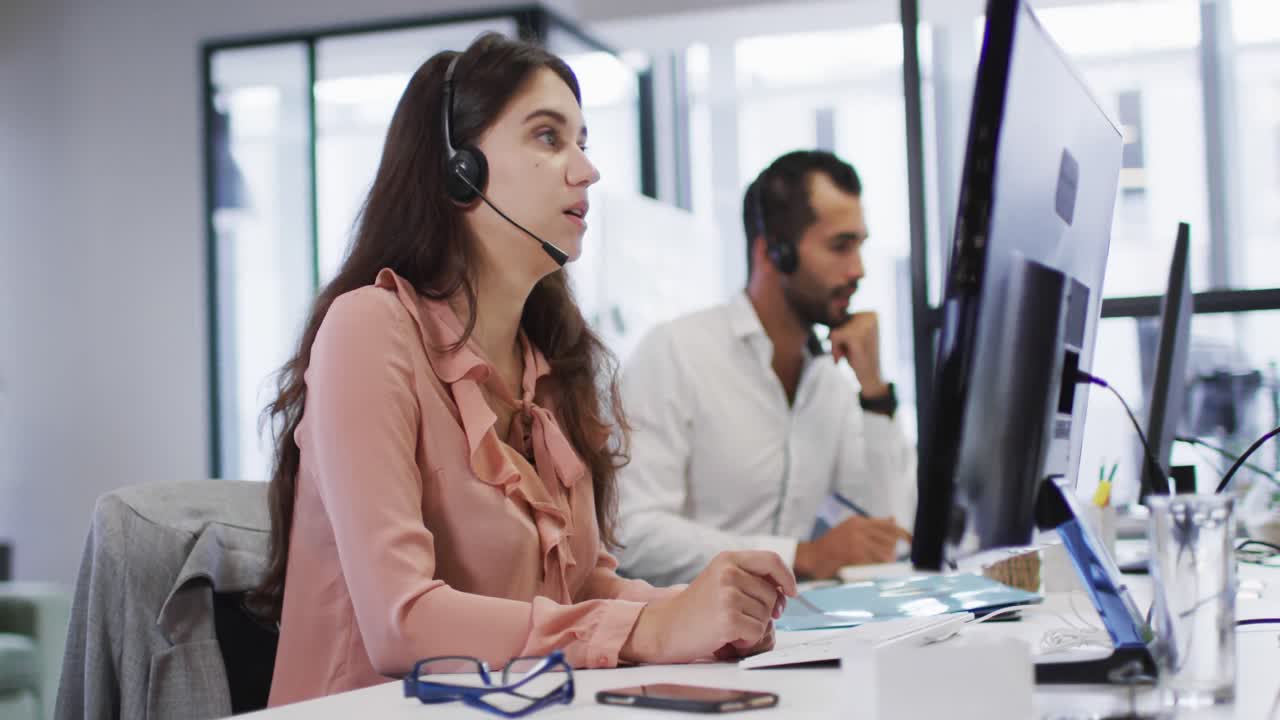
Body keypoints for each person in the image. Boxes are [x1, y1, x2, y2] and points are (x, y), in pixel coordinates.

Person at [254, 33, 797, 707]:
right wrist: (648, 629)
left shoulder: (550, 362)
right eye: (548, 137)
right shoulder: (369, 329)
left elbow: (588, 591)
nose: (587, 170)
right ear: (459, 171)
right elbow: (401, 622)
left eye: (583, 141)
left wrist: (704, 612)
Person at [616, 150, 917, 586]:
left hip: (793, 637)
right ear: (772, 251)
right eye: (840, 246)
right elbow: (632, 534)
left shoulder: (829, 381)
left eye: (860, 245)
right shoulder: (676, 352)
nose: (859, 270)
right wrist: (800, 556)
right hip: (689, 643)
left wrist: (874, 393)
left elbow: (889, 538)